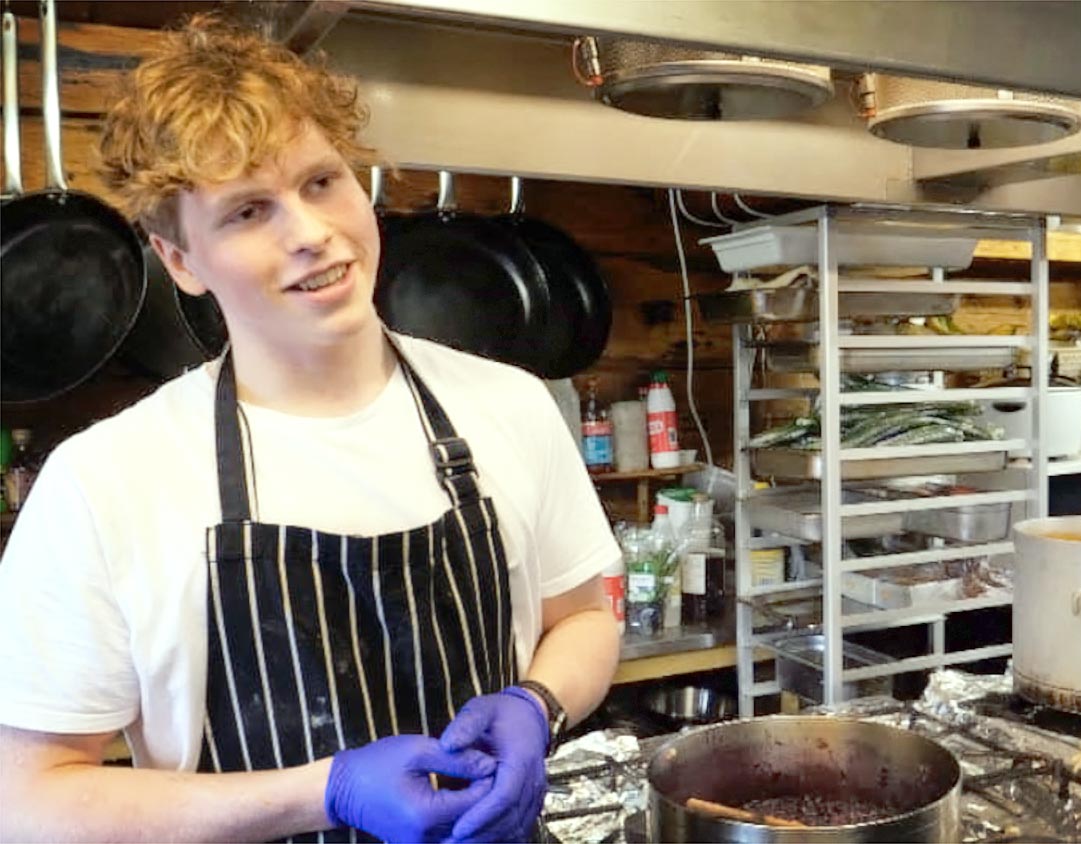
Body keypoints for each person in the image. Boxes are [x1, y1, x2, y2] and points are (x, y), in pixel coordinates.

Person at [0, 16, 621, 843]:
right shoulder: (107, 481)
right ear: (180, 260)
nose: (310, 234)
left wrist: (536, 704)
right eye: (249, 211)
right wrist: (324, 793)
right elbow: (27, 800)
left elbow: (585, 615)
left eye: (321, 181)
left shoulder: (507, 404)